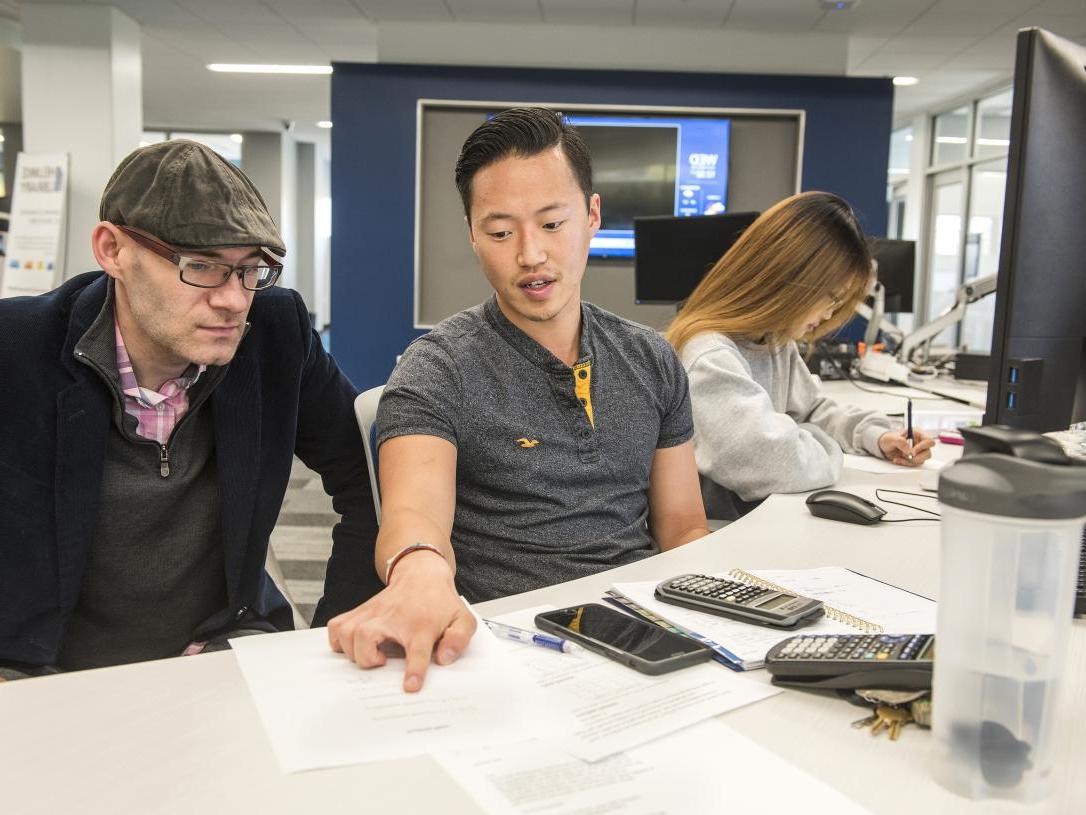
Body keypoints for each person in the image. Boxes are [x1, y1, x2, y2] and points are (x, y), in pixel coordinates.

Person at [322, 107, 708, 691]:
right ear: (473, 235)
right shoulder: (437, 369)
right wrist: (419, 575)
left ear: (592, 216)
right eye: (501, 232)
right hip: (507, 655)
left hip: (640, 645)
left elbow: (682, 531)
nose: (531, 255)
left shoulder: (652, 360)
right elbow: (413, 520)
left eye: (552, 224)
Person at [0, 140, 380, 681]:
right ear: (112, 250)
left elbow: (369, 478)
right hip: (42, 668)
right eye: (201, 267)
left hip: (222, 648)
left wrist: (335, 633)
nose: (232, 299)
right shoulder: (16, 350)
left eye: (250, 269)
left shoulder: (275, 334)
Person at [665, 191, 935, 522]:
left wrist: (876, 436)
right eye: (831, 298)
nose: (829, 313)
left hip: (765, 520)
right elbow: (771, 463)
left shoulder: (773, 341)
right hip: (722, 535)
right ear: (792, 282)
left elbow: (812, 409)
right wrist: (821, 443)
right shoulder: (708, 355)